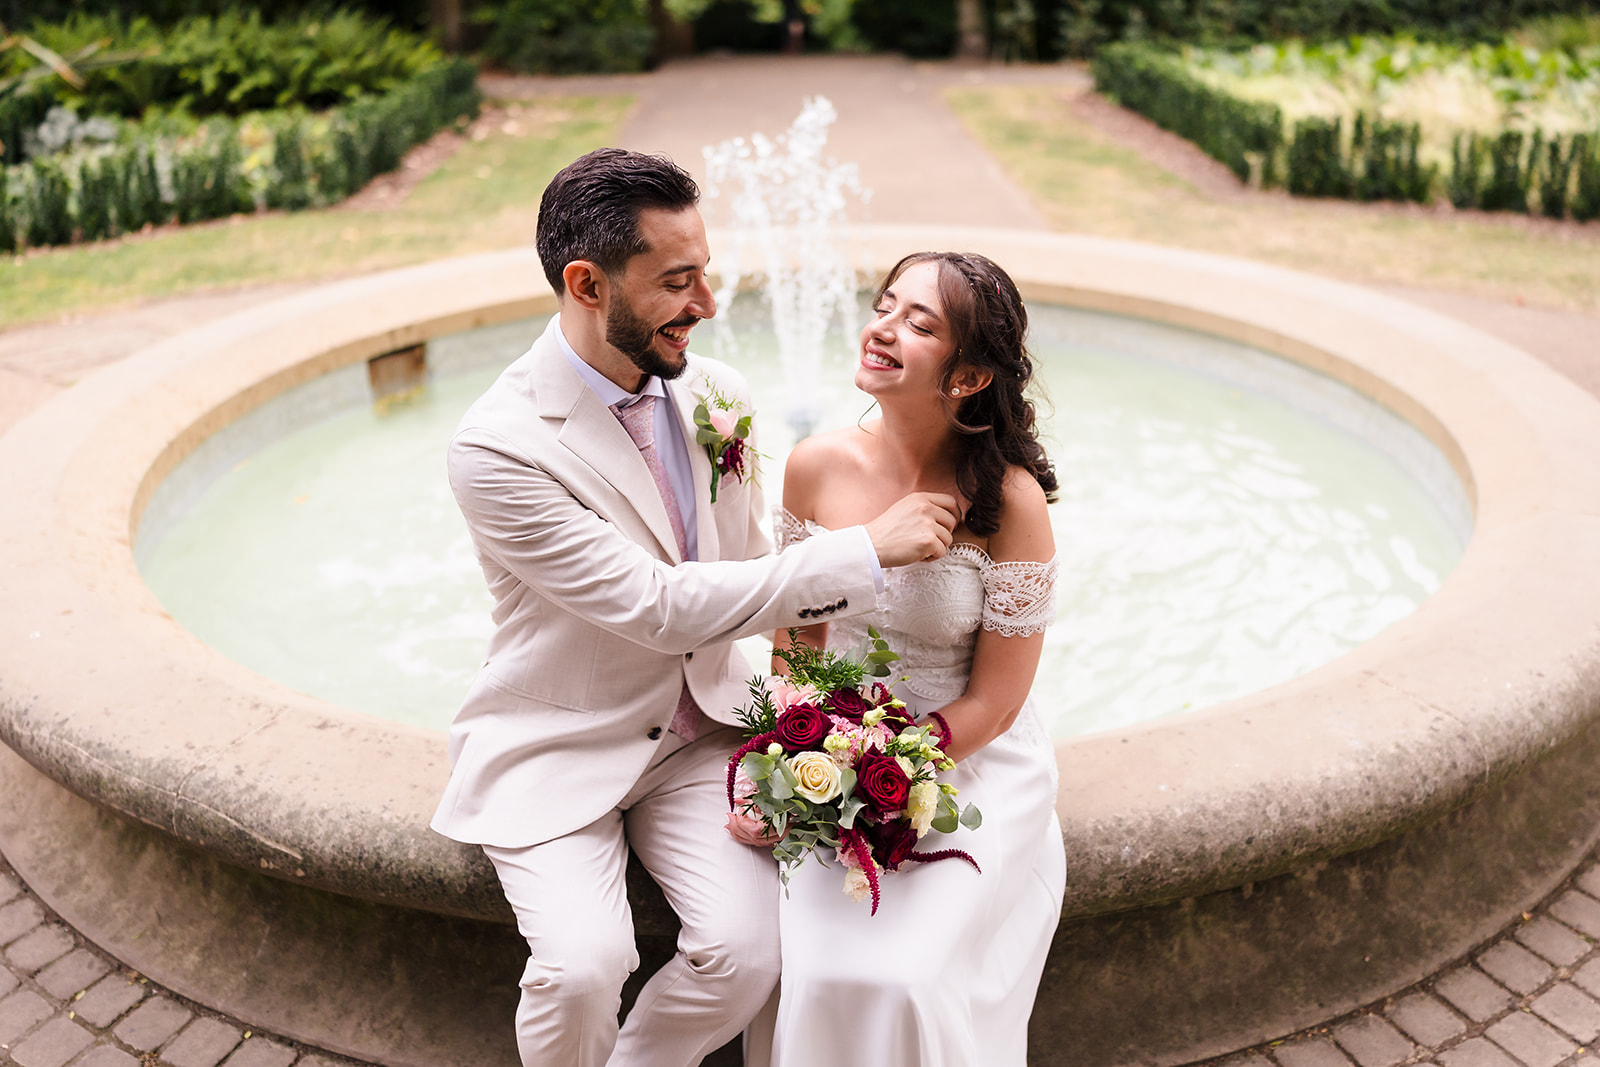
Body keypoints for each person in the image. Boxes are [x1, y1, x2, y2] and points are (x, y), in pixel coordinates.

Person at [428, 148, 961, 1067]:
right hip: (562, 744)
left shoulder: (718, 394)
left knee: (752, 952)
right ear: (587, 284)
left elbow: (748, 566)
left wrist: (813, 699)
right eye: (677, 282)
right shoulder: (498, 448)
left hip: (701, 731)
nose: (708, 303)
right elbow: (657, 605)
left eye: (704, 271)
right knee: (586, 965)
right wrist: (865, 549)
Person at [766, 251, 1067, 1064]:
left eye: (919, 323)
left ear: (968, 374)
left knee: (904, 976)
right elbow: (795, 655)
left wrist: (892, 762)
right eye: (884, 306)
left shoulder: (1009, 503)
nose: (883, 328)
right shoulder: (813, 467)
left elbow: (999, 702)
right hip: (831, 757)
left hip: (969, 758)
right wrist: (809, 760)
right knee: (824, 969)